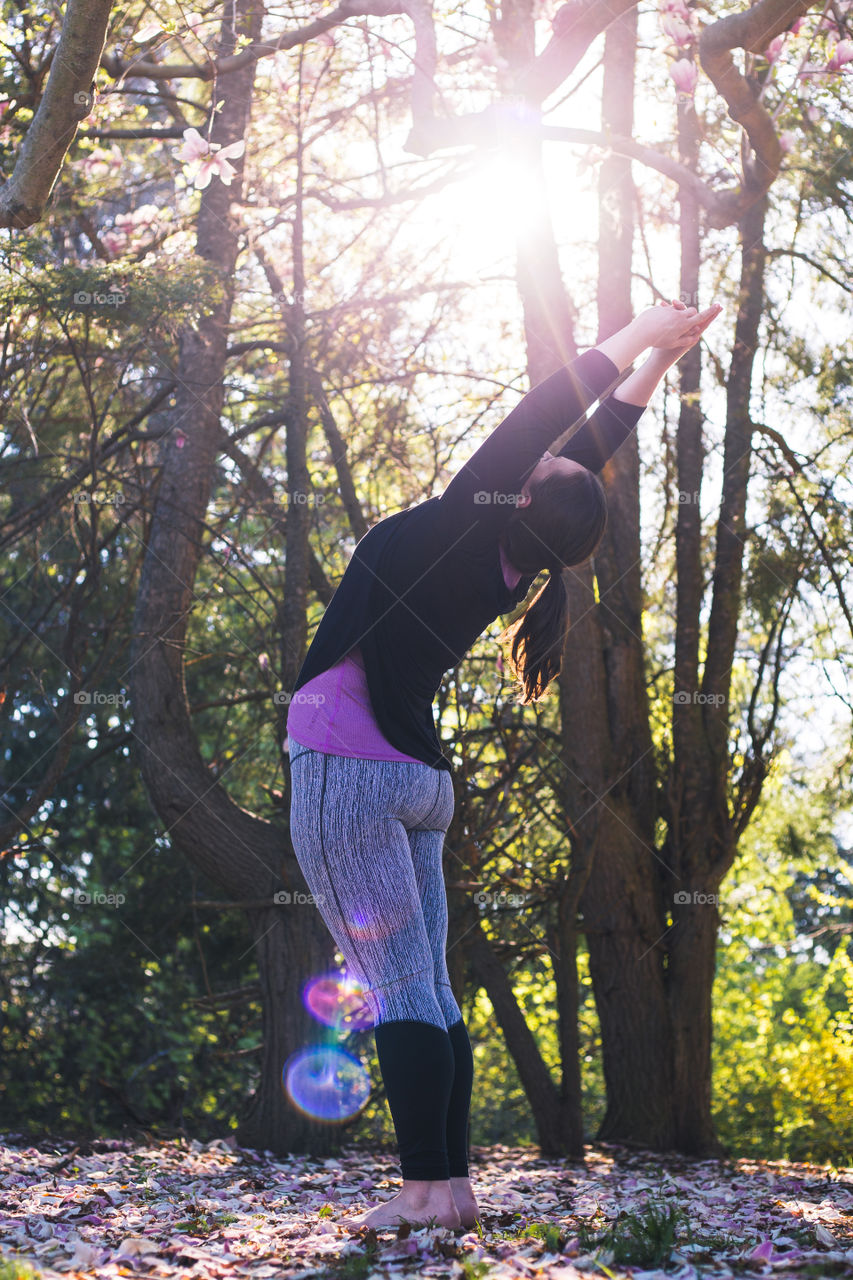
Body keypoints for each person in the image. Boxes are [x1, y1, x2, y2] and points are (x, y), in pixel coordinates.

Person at [286, 298, 722, 1231]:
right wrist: (657, 364)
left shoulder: (460, 526)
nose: (539, 453)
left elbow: (542, 416)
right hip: (416, 784)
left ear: (520, 493)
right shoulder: (506, 556)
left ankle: (419, 1193)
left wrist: (642, 333)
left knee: (401, 987)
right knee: (428, 985)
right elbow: (591, 442)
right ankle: (449, 1192)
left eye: (541, 465)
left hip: (347, 764)